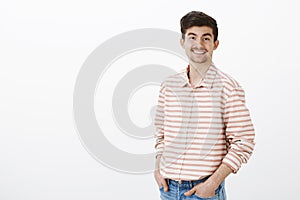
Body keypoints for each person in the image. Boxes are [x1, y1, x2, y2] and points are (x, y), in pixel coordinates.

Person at [154, 11, 255, 200]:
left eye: (206, 38)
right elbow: (161, 133)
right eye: (192, 37)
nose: (199, 44)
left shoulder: (229, 88)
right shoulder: (169, 85)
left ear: (215, 44)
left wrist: (212, 183)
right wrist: (158, 169)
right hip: (167, 189)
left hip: (204, 192)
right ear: (182, 42)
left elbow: (244, 141)